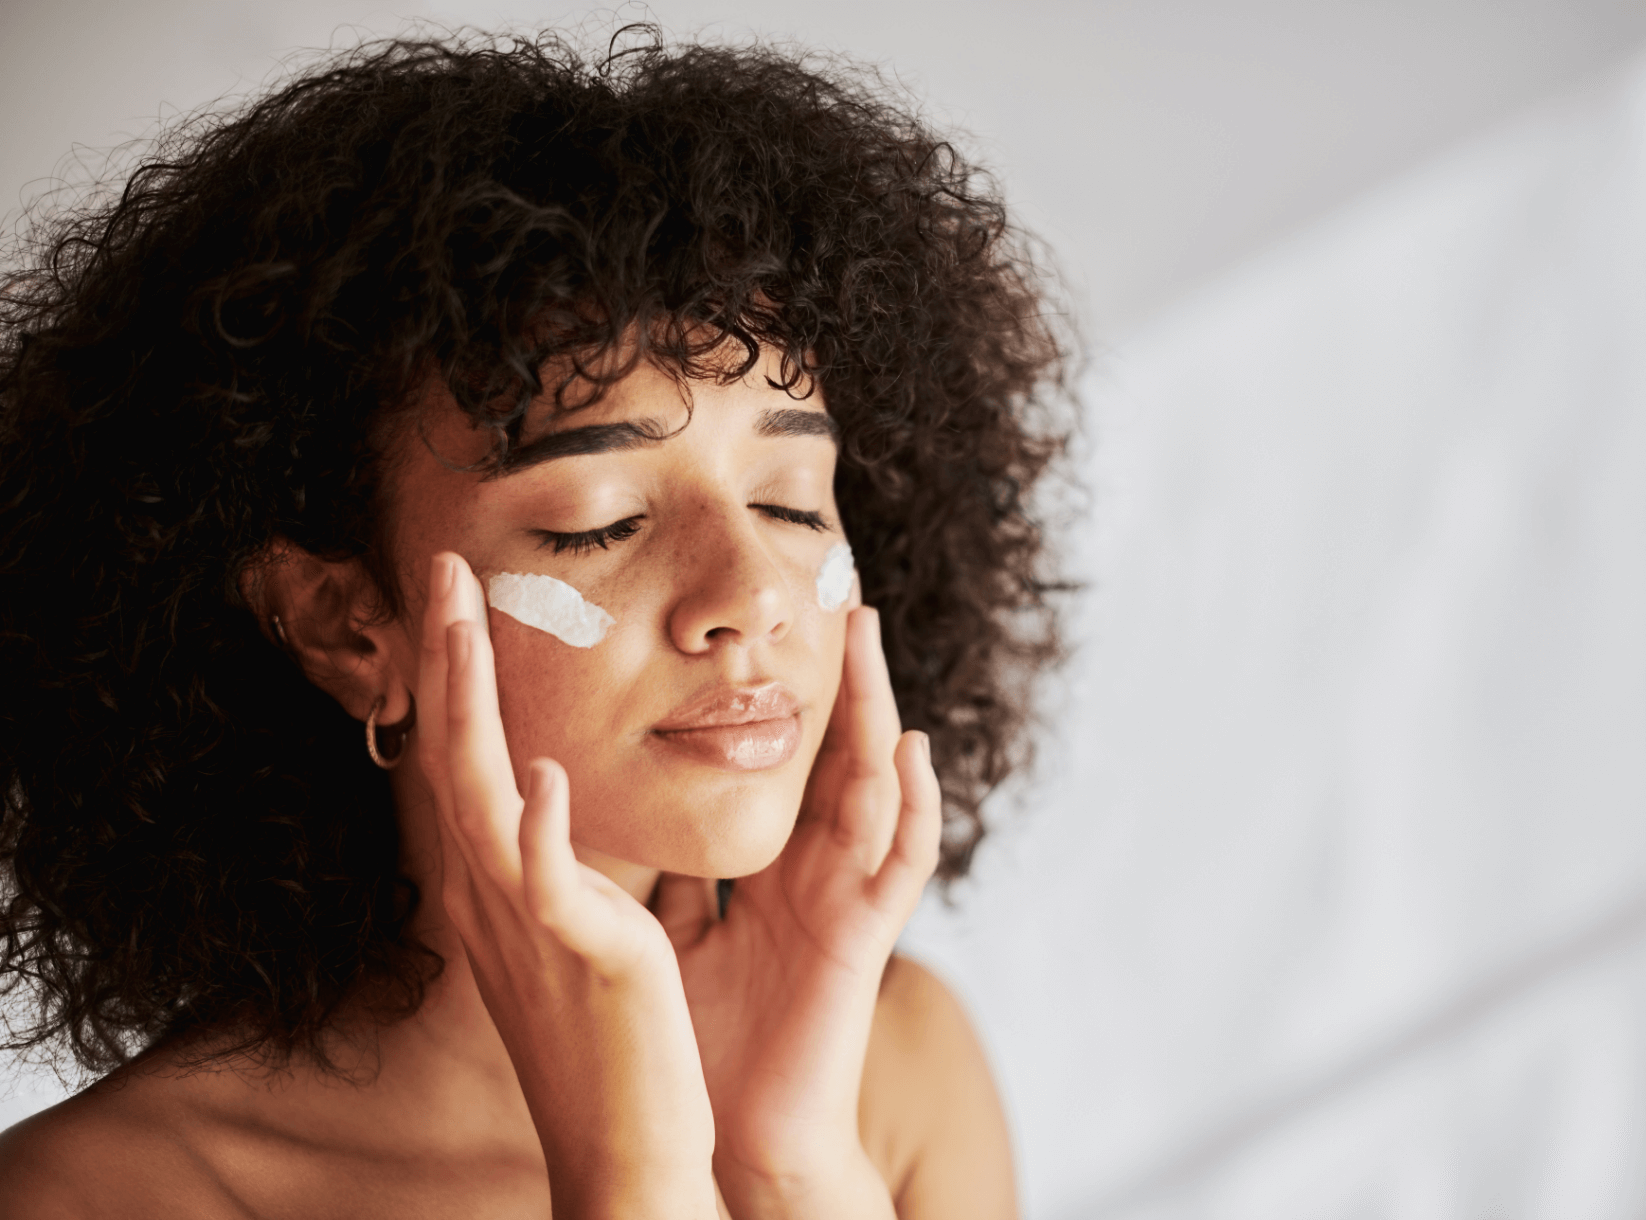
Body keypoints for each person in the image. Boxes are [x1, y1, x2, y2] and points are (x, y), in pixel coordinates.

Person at [0, 29, 1070, 1219]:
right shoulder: (103, 1196)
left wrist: (787, 1159)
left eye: (788, 500)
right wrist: (636, 1176)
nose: (752, 593)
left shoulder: (892, 1067)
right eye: (598, 524)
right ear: (346, 625)